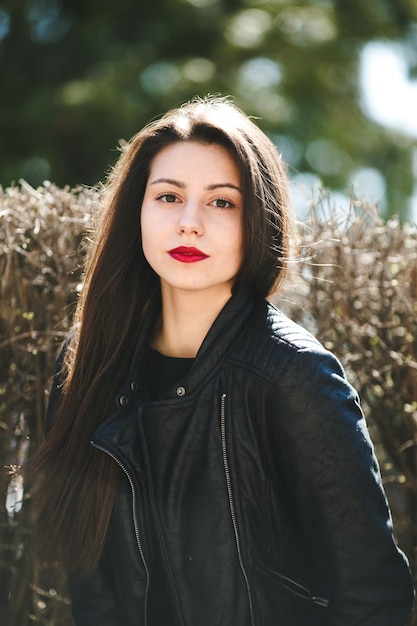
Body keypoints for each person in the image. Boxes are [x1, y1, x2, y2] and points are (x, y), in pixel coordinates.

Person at [29, 96, 414, 626]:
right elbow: (93, 590)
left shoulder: (295, 375)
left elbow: (374, 597)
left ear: (259, 221)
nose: (189, 223)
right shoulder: (87, 366)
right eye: (168, 196)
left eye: (222, 202)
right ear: (136, 211)